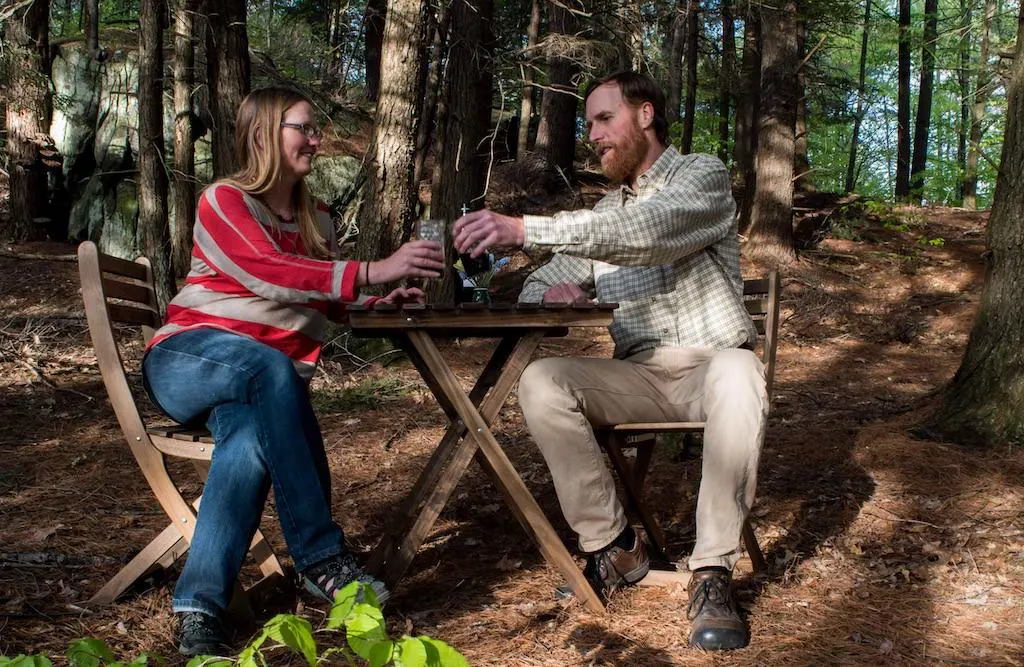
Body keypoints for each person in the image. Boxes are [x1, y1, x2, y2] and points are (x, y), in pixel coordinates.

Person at [452, 71, 767, 651]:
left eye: (603, 119)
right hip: (639, 375)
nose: (593, 135)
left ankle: (713, 572)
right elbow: (543, 278)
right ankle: (612, 547)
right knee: (545, 380)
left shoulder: (702, 176)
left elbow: (649, 233)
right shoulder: (604, 215)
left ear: (645, 115)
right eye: (589, 123)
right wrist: (547, 293)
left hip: (713, 368)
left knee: (741, 372)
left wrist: (525, 227)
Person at [142, 87, 446, 656]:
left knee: (252, 440)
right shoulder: (225, 200)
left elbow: (319, 297)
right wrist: (374, 268)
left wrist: (372, 302)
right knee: (268, 366)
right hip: (189, 361)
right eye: (303, 128)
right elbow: (266, 271)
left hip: (259, 386)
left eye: (315, 129)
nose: (316, 139)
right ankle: (320, 556)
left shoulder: (317, 219)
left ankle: (197, 609)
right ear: (264, 135)